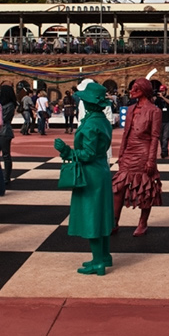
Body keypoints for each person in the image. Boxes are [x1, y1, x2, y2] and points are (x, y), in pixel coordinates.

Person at [53, 82, 114, 275]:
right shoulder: (102, 120)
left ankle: (98, 263)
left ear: (90, 103)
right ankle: (104, 256)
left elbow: (87, 154)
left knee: (92, 217)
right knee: (101, 215)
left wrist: (66, 151)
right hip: (101, 170)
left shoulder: (91, 124)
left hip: (91, 174)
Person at [112, 78, 162, 236]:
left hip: (144, 152)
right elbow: (125, 134)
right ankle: (114, 222)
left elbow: (155, 137)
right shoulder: (131, 108)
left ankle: (143, 222)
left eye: (135, 88)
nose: (131, 91)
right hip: (129, 152)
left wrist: (151, 160)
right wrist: (121, 154)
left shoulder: (154, 111)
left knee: (145, 188)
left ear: (143, 90)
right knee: (118, 188)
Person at [0, 82, 17, 186]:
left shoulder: (10, 105)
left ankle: (6, 177)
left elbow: (3, 118)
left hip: (4, 131)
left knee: (6, 154)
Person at [155, 84, 169, 158]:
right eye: (161, 91)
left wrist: (162, 97)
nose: (161, 92)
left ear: (166, 91)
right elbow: (153, 104)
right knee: (161, 137)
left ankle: (164, 151)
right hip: (160, 120)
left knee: (166, 136)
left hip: (167, 120)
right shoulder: (158, 99)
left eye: (163, 91)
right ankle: (164, 150)